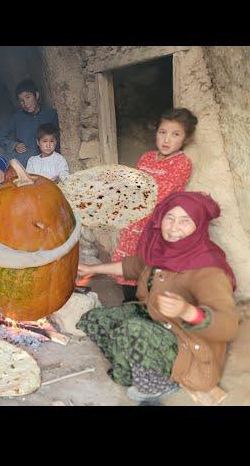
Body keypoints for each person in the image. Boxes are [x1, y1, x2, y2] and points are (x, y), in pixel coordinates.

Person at [76, 192, 238, 403]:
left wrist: (187, 311)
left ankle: (162, 383)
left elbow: (229, 326)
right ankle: (131, 369)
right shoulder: (161, 249)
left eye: (184, 220)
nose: (173, 227)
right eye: (169, 218)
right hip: (156, 318)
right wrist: (91, 268)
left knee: (131, 329)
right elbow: (133, 267)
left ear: (198, 225)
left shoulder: (209, 268)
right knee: (94, 320)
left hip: (187, 345)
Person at [111, 108, 196, 302]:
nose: (167, 140)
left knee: (148, 280)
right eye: (162, 132)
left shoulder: (182, 163)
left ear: (185, 139)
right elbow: (132, 187)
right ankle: (128, 309)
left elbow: (159, 197)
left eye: (175, 134)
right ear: (156, 133)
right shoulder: (146, 158)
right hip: (133, 228)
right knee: (127, 277)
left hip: (154, 231)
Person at [0, 79, 60, 167]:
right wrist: (14, 145)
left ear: (36, 95)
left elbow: (58, 139)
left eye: (28, 97)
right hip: (24, 159)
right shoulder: (16, 118)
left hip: (47, 158)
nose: (26, 103)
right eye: (21, 100)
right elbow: (0, 135)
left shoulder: (51, 114)